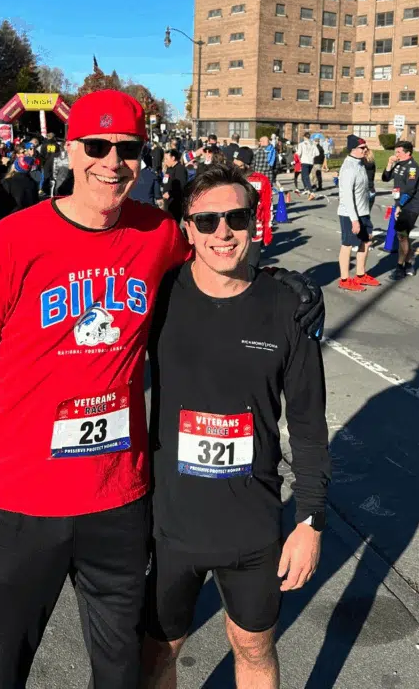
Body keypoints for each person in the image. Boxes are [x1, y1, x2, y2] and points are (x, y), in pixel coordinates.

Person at [0, 89, 324, 689]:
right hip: (20, 500)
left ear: (141, 155)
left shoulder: (157, 232)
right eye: (97, 146)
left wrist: (278, 282)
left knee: (120, 673)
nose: (112, 162)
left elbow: (217, 248)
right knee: (2, 670)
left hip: (117, 501)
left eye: (127, 148)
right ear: (71, 149)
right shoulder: (15, 238)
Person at [142, 164, 329, 689]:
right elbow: (89, 350)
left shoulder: (288, 308)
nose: (222, 233)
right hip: (171, 520)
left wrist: (310, 522)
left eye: (236, 217)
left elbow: (310, 426)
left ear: (254, 222)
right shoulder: (159, 298)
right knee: (158, 651)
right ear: (185, 228)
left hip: (252, 522)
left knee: (252, 645)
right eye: (206, 221)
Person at [337, 135, 380, 292]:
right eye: (362, 148)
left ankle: (360, 275)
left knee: (366, 241)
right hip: (349, 213)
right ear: (353, 149)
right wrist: (354, 220)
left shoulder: (360, 164)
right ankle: (344, 279)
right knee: (347, 244)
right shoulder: (348, 167)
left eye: (365, 147)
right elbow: (347, 196)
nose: (365, 150)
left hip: (363, 212)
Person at [382, 140, 419, 280]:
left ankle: (400, 267)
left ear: (407, 153)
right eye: (395, 151)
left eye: (398, 152)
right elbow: (385, 178)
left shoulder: (413, 168)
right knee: (403, 236)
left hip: (410, 207)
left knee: (402, 235)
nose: (396, 154)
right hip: (400, 204)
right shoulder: (399, 164)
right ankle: (409, 262)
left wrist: (400, 205)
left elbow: (410, 190)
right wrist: (389, 164)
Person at [233, 147, 273, 272]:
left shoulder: (262, 180)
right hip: (235, 227)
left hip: (256, 230)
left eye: (237, 160)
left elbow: (268, 207)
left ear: (244, 162)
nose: (234, 162)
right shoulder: (231, 179)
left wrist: (267, 232)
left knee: (252, 267)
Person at [162, 148, 188, 223]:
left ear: (173, 158)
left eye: (166, 159)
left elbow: (181, 186)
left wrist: (170, 193)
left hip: (175, 203)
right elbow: (166, 181)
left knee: (173, 223)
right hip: (167, 202)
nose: (165, 161)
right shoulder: (169, 169)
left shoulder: (180, 169)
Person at [297, 132, 316, 199]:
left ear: (304, 137)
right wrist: (311, 156)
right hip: (310, 162)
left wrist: (295, 155)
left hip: (304, 162)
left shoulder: (301, 144)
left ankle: (311, 192)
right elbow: (317, 153)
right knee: (303, 176)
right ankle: (306, 189)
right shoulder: (313, 144)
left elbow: (299, 153)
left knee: (306, 177)